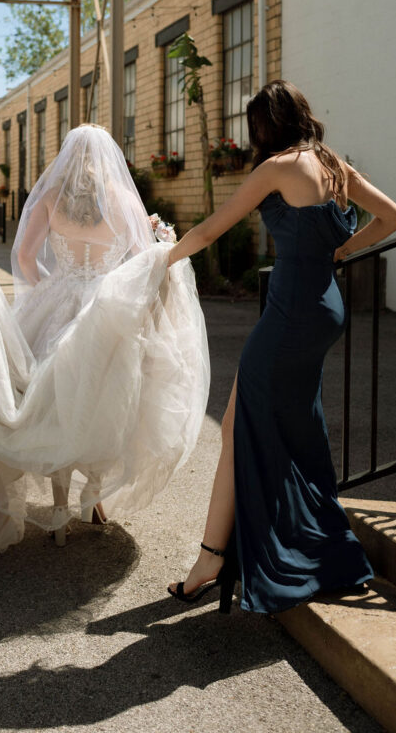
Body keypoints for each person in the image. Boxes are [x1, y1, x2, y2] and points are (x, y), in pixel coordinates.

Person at [0, 123, 210, 563]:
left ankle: (59, 508)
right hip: (108, 310)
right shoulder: (125, 202)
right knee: (107, 399)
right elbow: (142, 263)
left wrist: (51, 288)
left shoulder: (51, 198)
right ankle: (93, 499)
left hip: (58, 302)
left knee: (53, 404)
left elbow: (26, 258)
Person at [167, 81, 396, 614]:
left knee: (241, 424)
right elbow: (391, 217)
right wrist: (342, 249)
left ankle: (211, 559)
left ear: (264, 127)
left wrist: (159, 261)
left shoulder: (275, 169)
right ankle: (266, 550)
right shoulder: (335, 167)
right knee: (279, 426)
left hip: (290, 315)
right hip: (324, 309)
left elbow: (210, 230)